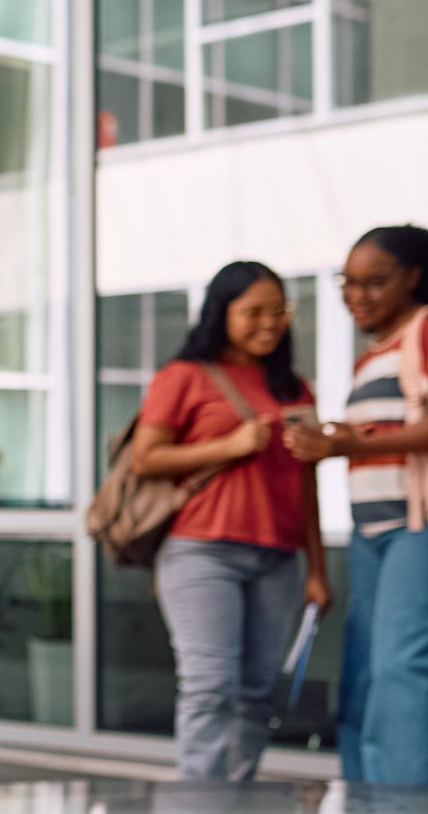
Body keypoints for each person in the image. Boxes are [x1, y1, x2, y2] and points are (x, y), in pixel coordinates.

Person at [284, 224, 428, 786]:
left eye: (375, 282)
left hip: (423, 527)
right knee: (363, 678)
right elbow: (389, 432)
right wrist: (335, 441)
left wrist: (351, 442)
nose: (357, 295)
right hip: (374, 535)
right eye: (349, 283)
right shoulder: (372, 355)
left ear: (412, 278)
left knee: (402, 675)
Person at [129, 261, 329, 780]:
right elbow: (145, 458)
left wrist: (317, 569)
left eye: (278, 310)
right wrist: (231, 445)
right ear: (223, 314)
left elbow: (306, 484)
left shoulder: (296, 389)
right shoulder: (184, 377)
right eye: (254, 312)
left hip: (279, 557)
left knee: (257, 691)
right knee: (210, 686)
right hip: (202, 550)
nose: (270, 322)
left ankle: (235, 810)